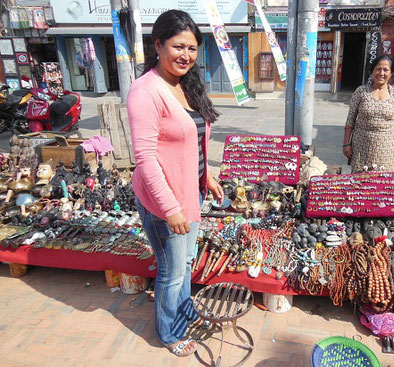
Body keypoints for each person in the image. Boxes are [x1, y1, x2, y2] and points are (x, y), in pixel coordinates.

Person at [127, 10, 224, 357]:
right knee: (171, 270)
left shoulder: (185, 84)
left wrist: (206, 175)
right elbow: (146, 160)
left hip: (190, 192)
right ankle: (170, 332)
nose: (185, 55)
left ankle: (182, 314)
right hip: (163, 200)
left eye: (193, 48)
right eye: (178, 46)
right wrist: (170, 209)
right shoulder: (145, 91)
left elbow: (195, 139)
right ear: (158, 45)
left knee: (185, 264)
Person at [343, 55, 394, 173]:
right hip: (361, 145)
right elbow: (350, 120)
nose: (381, 73)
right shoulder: (361, 92)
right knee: (359, 180)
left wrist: (384, 124)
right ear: (372, 71)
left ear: (391, 73)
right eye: (378, 69)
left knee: (383, 181)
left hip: (386, 146)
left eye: (386, 70)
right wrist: (346, 144)